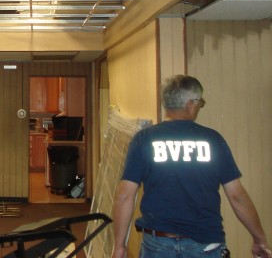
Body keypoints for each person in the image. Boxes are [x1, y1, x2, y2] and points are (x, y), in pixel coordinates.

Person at [112, 75, 271, 258]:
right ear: (190, 104)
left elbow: (125, 195)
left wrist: (119, 246)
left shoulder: (144, 139)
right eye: (200, 103)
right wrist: (259, 239)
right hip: (205, 244)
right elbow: (237, 196)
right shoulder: (213, 140)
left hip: (158, 244)